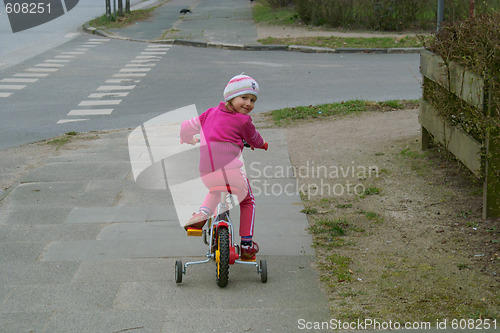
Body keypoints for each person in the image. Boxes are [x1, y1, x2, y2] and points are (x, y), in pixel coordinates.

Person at [180, 73, 267, 260]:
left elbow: (186, 127)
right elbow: (254, 138)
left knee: (215, 189)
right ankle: (246, 244)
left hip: (207, 172)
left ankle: (202, 214)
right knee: (247, 200)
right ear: (231, 97)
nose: (249, 103)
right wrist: (262, 144)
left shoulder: (209, 113)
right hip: (232, 173)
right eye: (244, 97)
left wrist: (188, 139)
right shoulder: (243, 121)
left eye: (253, 100)